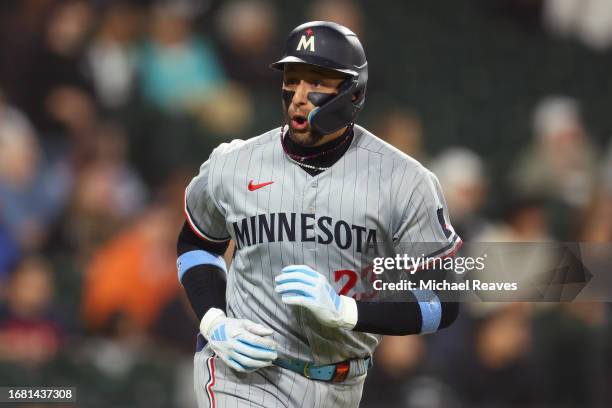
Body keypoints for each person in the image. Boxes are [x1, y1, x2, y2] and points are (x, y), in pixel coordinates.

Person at [177, 21, 461, 408]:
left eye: (316, 82)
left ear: (353, 91)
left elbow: (442, 302)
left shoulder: (405, 181)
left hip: (342, 384)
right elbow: (197, 243)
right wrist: (214, 321)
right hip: (244, 374)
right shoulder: (233, 164)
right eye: (292, 79)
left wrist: (349, 311)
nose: (298, 95)